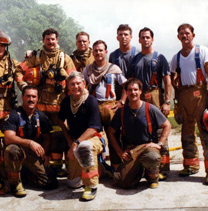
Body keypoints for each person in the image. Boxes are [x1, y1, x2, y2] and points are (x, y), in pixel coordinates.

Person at [16, 28, 76, 175]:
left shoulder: (65, 58)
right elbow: (18, 70)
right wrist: (24, 86)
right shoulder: (36, 57)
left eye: (53, 39)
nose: (50, 42)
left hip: (59, 104)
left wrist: (66, 78)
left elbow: (74, 78)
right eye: (48, 39)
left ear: (57, 40)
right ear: (43, 40)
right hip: (40, 106)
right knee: (40, 135)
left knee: (60, 135)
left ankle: (58, 167)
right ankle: (42, 166)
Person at [170, 23, 208, 185]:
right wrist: (176, 102)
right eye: (181, 34)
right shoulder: (176, 57)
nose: (184, 36)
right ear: (178, 37)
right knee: (187, 134)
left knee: (207, 133)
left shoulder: (203, 51)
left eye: (187, 33)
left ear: (193, 35)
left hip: (201, 96)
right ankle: (191, 166)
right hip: (184, 97)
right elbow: (172, 80)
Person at [108, 78, 171, 189]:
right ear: (126, 92)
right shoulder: (121, 112)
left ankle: (152, 176)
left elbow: (167, 125)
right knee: (124, 183)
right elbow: (111, 132)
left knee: (152, 157)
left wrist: (159, 144)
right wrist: (119, 152)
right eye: (130, 90)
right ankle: (139, 170)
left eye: (136, 90)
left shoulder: (150, 108)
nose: (133, 93)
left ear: (141, 91)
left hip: (148, 147)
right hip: (131, 151)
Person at [127, 27, 172, 179]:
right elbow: (130, 81)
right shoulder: (134, 60)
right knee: (144, 129)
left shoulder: (160, 58)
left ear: (152, 39)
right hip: (139, 95)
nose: (145, 40)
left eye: (148, 37)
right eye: (143, 37)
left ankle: (163, 169)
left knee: (160, 128)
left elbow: (167, 80)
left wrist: (166, 101)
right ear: (138, 40)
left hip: (155, 94)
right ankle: (148, 167)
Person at [2, 85, 58, 197]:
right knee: (11, 149)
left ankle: (26, 176)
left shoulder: (40, 116)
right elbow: (8, 138)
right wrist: (29, 143)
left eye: (33, 96)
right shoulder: (14, 115)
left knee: (51, 182)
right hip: (18, 152)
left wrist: (46, 153)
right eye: (28, 96)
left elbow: (47, 136)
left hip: (32, 155)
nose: (31, 99)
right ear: (22, 97)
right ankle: (15, 183)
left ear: (37, 98)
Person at [58, 71, 106, 201]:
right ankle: (101, 170)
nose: (76, 87)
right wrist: (69, 141)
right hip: (75, 141)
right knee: (73, 183)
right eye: (72, 84)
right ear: (68, 86)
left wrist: (76, 143)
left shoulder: (91, 101)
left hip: (94, 137)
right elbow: (61, 121)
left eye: (78, 83)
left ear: (84, 84)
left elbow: (94, 127)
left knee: (84, 148)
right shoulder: (66, 102)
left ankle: (91, 186)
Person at [83, 40, 127, 170]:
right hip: (93, 106)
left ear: (106, 52)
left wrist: (122, 101)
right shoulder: (88, 70)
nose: (98, 53)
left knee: (113, 136)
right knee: (93, 137)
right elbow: (82, 86)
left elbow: (126, 85)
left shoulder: (114, 68)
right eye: (95, 50)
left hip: (109, 106)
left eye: (101, 50)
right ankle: (98, 168)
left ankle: (116, 166)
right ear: (93, 52)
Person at [109, 24, 138, 100]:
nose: (123, 37)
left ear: (131, 37)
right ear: (117, 37)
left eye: (126, 34)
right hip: (118, 94)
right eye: (121, 35)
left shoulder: (138, 54)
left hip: (135, 93)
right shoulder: (113, 55)